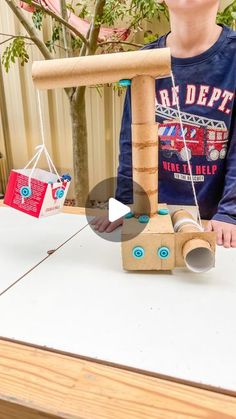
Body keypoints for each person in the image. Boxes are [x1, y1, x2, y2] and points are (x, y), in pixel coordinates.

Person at [92, 0, 236, 248]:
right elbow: (131, 144)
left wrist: (230, 212)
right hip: (154, 219)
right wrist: (126, 202)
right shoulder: (143, 62)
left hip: (216, 225)